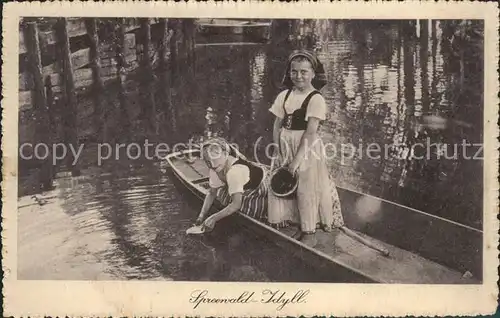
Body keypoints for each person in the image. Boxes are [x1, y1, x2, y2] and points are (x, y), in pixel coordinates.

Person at [267, 49, 345, 247]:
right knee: (283, 186)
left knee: (306, 188)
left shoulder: (316, 99)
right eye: (294, 72)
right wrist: (277, 148)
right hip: (286, 145)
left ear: (312, 73)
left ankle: (309, 230)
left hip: (306, 149)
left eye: (304, 72)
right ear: (289, 73)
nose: (298, 76)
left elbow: (310, 133)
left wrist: (294, 163)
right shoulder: (284, 95)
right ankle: (293, 222)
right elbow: (277, 123)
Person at [194, 137, 269, 232]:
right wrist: (201, 216)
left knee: (241, 206)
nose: (212, 165)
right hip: (241, 182)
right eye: (208, 161)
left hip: (259, 186)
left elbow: (236, 204)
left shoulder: (234, 172)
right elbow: (212, 193)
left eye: (215, 159)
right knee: (221, 194)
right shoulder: (215, 167)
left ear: (225, 154)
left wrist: (213, 218)